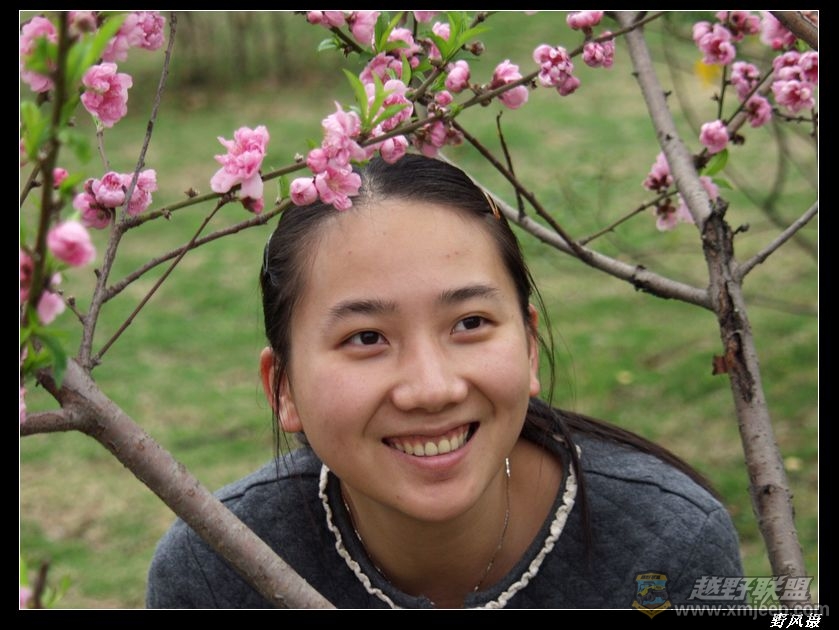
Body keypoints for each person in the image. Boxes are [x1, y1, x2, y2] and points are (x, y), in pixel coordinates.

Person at [146, 153, 742, 609]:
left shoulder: (669, 548)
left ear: (529, 346)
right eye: (366, 337)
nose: (432, 389)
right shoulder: (217, 572)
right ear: (284, 388)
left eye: (470, 323)